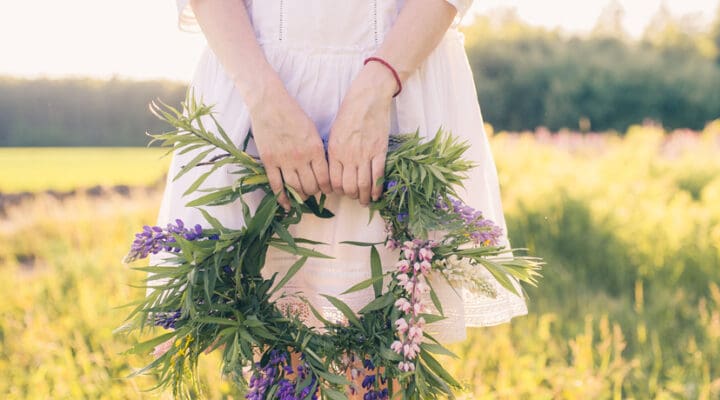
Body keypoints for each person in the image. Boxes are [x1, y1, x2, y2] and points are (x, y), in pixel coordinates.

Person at [150, 0, 528, 396]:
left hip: (401, 75)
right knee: (279, 360)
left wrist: (380, 84)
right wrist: (263, 98)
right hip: (258, 76)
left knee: (375, 364)